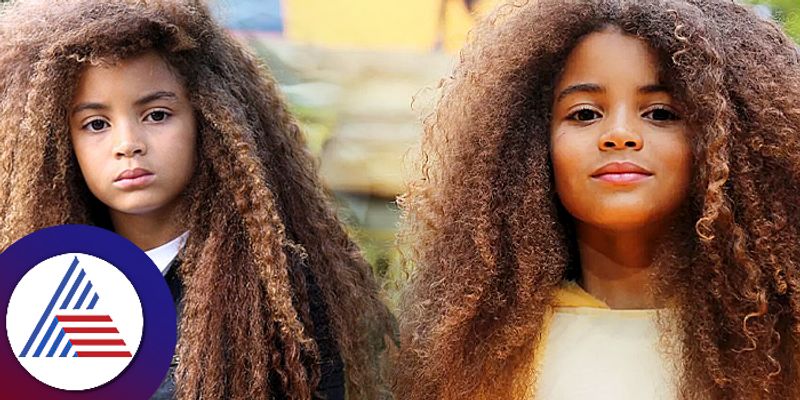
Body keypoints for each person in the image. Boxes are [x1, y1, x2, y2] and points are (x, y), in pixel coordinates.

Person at [394, 0, 800, 398]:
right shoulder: (474, 355)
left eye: (660, 113)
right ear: (531, 147)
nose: (620, 133)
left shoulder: (779, 351)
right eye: (585, 113)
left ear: (724, 141)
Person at [0, 1, 393, 398]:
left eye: (156, 115)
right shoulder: (42, 286)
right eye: (96, 124)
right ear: (60, 141)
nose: (128, 145)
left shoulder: (274, 290)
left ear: (207, 117)